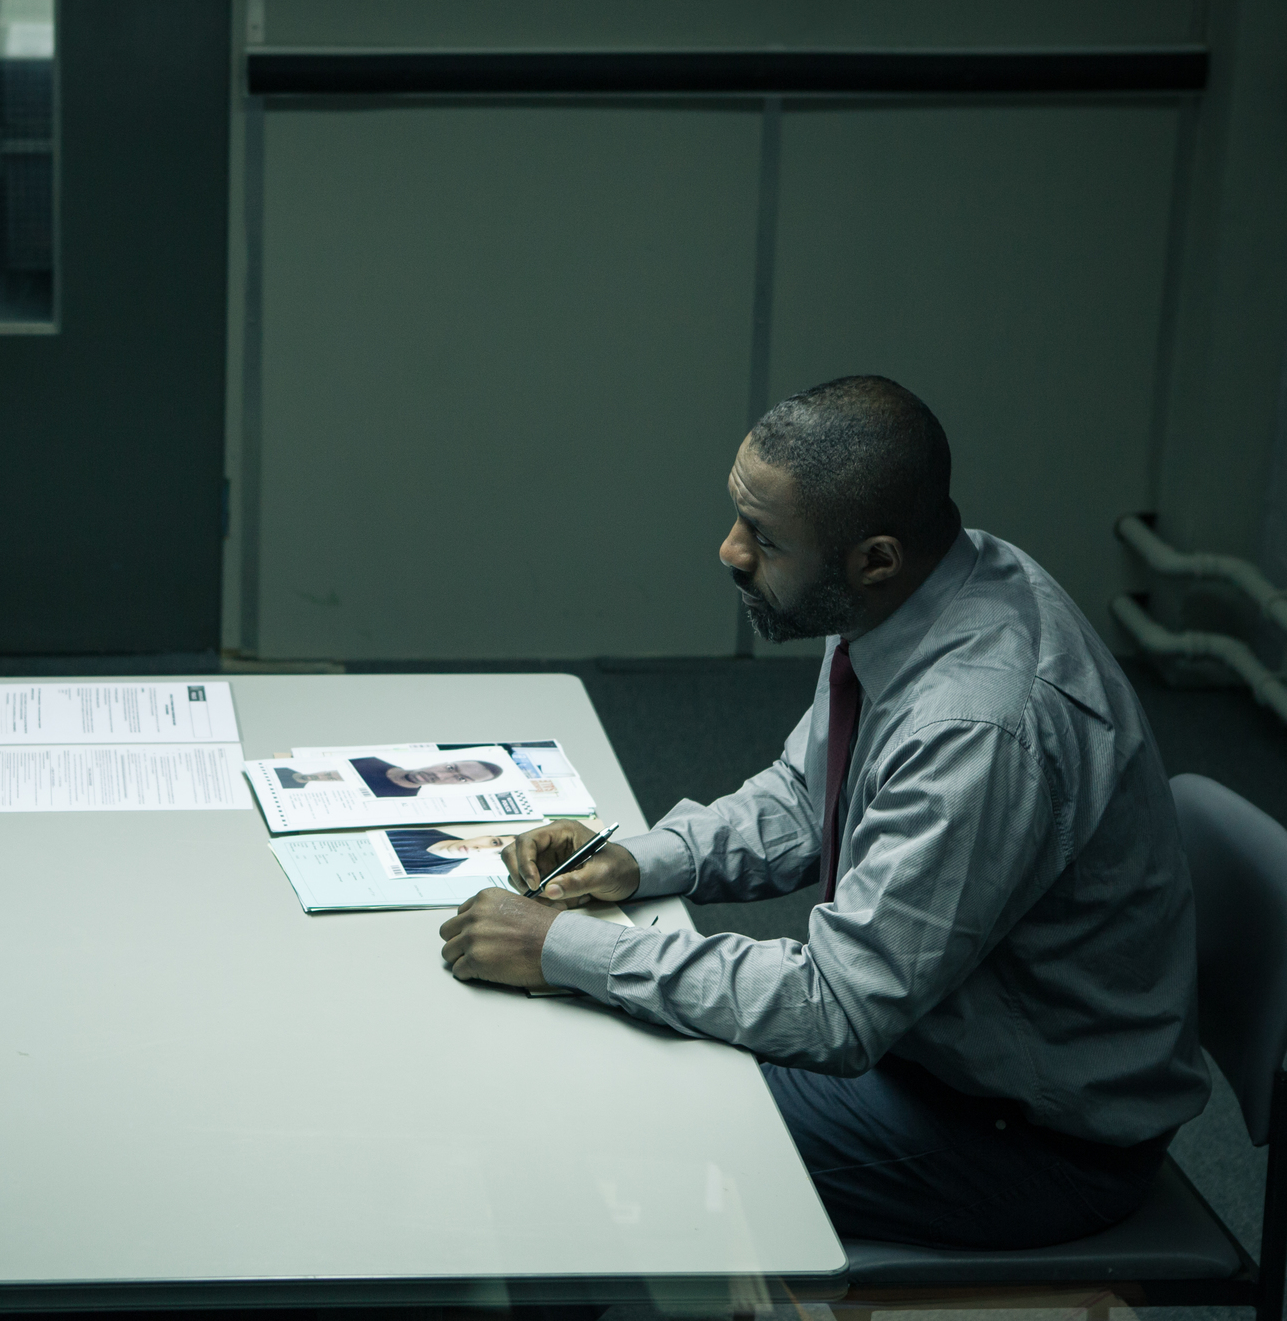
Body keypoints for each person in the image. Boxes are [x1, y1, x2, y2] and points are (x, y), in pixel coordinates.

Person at [439, 375, 1207, 1251]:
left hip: (1020, 1140)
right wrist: (644, 860)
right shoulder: (915, 592)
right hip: (936, 1051)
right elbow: (813, 798)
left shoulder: (979, 725)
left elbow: (837, 1009)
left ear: (874, 556)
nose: (728, 551)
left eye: (762, 538)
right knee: (593, 1047)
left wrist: (559, 946)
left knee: (597, 1131)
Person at [349, 756, 504, 798]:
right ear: (443, 761)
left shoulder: (401, 802)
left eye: (461, 779)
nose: (439, 774)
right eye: (450, 768)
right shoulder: (369, 760)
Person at [384, 830, 517, 875]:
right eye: (494, 842)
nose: (481, 849)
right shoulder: (423, 828)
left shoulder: (435, 872)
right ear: (487, 836)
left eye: (498, 854)